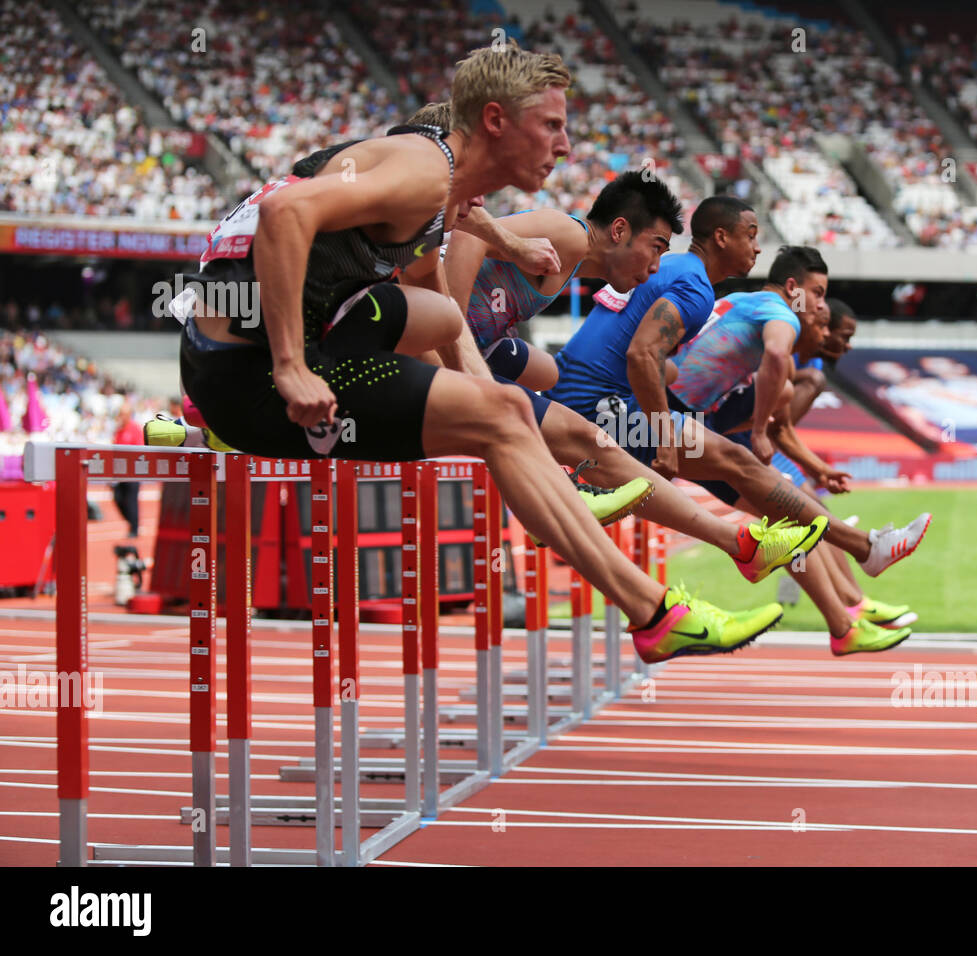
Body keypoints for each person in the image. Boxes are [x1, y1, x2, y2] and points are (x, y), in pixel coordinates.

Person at [167, 43, 783, 664]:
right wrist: (291, 366)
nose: (565, 145)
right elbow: (283, 211)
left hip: (275, 340)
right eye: (550, 125)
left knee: (474, 359)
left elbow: (436, 305)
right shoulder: (423, 172)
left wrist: (489, 392)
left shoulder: (436, 196)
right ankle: (653, 611)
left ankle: (606, 541)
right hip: (244, 374)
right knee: (505, 410)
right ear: (495, 121)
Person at [442, 164, 826, 582]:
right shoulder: (568, 234)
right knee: (566, 430)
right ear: (620, 231)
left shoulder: (573, 266)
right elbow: (466, 233)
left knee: (548, 378)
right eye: (657, 248)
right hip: (432, 339)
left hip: (493, 351)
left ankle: (559, 502)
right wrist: (456, 330)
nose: (657, 266)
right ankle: (557, 502)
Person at [545, 202, 932, 599]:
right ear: (721, 236)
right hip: (609, 410)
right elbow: (645, 355)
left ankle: (848, 596)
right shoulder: (705, 288)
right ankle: (861, 553)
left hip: (619, 403)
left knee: (755, 486)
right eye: (751, 235)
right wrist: (682, 433)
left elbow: (656, 359)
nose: (758, 248)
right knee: (745, 459)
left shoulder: (685, 277)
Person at [669, 250, 916, 653]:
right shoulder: (778, 318)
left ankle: (848, 612)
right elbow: (778, 423)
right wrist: (767, 433)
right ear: (792, 290)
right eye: (818, 301)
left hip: (691, 419)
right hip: (665, 416)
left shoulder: (754, 313)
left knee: (794, 517)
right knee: (795, 510)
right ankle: (860, 572)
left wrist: (810, 464)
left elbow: (778, 422)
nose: (821, 314)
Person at [112, 405, 143, 538]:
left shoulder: (135, 429)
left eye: (123, 414)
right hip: (120, 472)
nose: (120, 417)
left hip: (132, 471)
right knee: (118, 498)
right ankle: (131, 522)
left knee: (131, 500)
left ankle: (134, 528)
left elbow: (140, 448)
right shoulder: (118, 431)